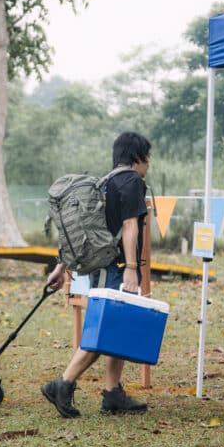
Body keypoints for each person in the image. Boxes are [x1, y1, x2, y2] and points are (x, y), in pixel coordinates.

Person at [42, 131, 151, 418]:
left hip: (104, 266)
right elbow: (129, 226)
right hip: (113, 268)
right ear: (138, 157)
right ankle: (62, 384)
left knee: (118, 329)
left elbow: (83, 232)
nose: (148, 164)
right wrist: (130, 268)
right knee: (105, 330)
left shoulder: (105, 183)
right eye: (147, 158)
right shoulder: (131, 182)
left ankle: (113, 394)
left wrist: (60, 266)